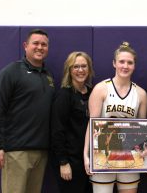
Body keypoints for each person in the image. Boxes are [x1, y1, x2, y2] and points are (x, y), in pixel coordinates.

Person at [0, 29, 55, 193]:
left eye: (44, 44)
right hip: (16, 152)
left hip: (41, 151)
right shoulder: (11, 72)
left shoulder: (48, 76)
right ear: (26, 46)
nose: (40, 47)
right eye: (35, 43)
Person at [83, 41, 147, 193]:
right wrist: (86, 155)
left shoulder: (141, 94)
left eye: (129, 62)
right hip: (103, 154)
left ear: (134, 65)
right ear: (114, 63)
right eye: (121, 62)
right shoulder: (101, 88)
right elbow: (91, 123)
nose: (125, 66)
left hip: (130, 155)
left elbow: (144, 130)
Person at [51, 51, 94, 193]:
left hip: (91, 161)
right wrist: (63, 162)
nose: (80, 70)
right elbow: (57, 131)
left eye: (84, 66)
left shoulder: (94, 93)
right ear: (69, 70)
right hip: (71, 162)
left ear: (89, 69)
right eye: (75, 67)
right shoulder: (64, 95)